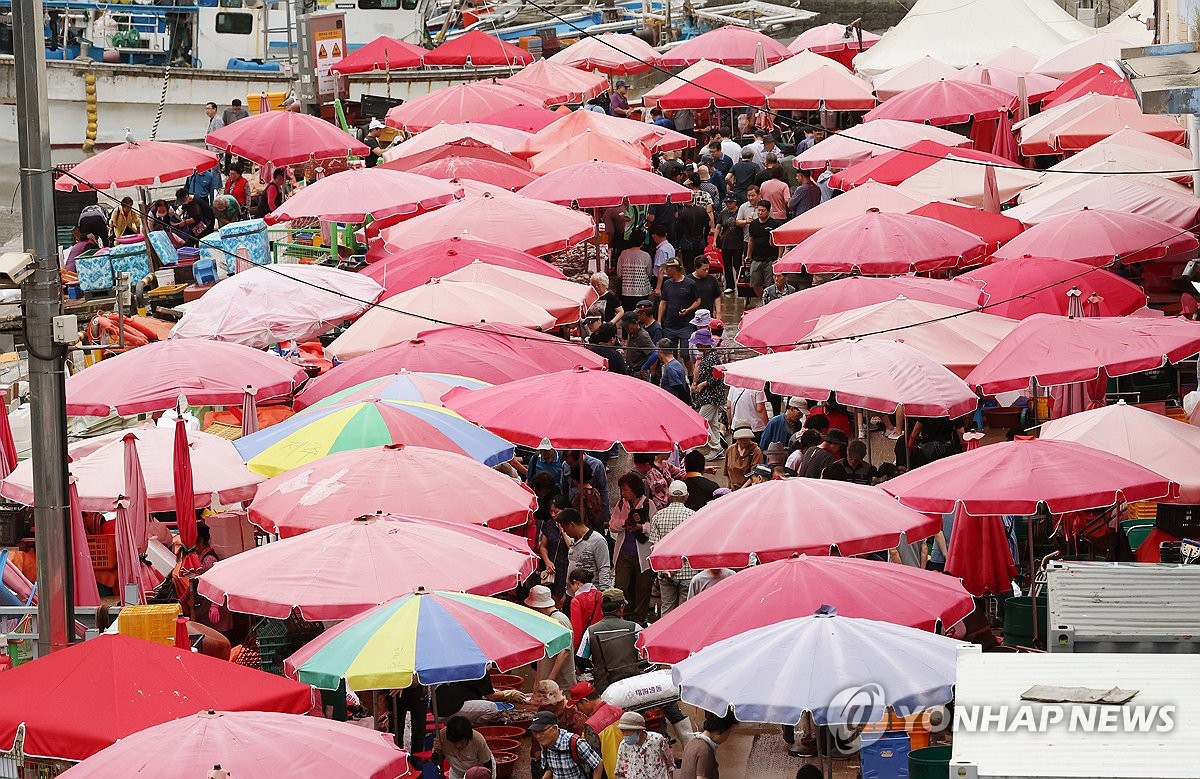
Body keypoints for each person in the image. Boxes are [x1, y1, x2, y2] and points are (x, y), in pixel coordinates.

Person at [609, 473, 655, 625]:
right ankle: (626, 614)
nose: (623, 493)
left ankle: (640, 618)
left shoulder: (648, 504)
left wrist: (640, 527)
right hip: (624, 552)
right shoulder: (621, 504)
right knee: (621, 585)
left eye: (625, 489)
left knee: (643, 587)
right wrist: (624, 523)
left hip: (643, 553)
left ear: (634, 489)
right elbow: (612, 525)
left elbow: (654, 527)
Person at [650, 481, 697, 613]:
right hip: (688, 571)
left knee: (666, 609)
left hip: (665, 571)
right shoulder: (693, 516)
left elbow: (654, 546)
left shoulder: (658, 516)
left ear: (668, 496)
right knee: (685, 612)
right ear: (686, 496)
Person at [570, 682, 624, 779]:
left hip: (611, 774)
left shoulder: (591, 725)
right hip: (629, 769)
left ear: (585, 701)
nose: (578, 710)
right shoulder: (618, 710)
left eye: (577, 705)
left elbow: (593, 760)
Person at [527, 585, 577, 690]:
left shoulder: (559, 620)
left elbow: (564, 651)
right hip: (548, 682)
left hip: (560, 683)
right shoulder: (547, 620)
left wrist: (550, 679)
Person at [530, 711, 604, 779]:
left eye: (541, 732)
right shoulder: (545, 744)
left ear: (554, 728)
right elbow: (551, 767)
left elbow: (598, 764)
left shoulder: (575, 743)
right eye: (535, 732)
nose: (538, 736)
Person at [689, 330, 727, 459]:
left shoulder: (712, 357)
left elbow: (718, 376)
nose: (697, 346)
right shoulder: (707, 355)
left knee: (700, 422)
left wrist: (703, 384)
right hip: (709, 396)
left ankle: (715, 447)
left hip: (712, 396)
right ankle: (718, 449)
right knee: (712, 424)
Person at [658, 258, 699, 368]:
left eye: (667, 268)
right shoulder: (667, 284)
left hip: (685, 325)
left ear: (674, 269)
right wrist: (659, 320)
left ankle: (690, 375)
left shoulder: (690, 284)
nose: (666, 271)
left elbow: (697, 301)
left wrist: (688, 310)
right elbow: (663, 302)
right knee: (670, 354)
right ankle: (672, 374)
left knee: (686, 354)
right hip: (669, 324)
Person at [559, 508, 612, 589]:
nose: (564, 532)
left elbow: (604, 568)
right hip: (572, 592)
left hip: (589, 594)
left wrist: (603, 592)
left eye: (565, 528)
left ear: (572, 525)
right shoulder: (573, 541)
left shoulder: (597, 540)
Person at [435, 676, 524, 723]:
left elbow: (482, 690)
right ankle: (474, 727)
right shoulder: (481, 668)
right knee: (492, 708)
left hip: (436, 709)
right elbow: (491, 696)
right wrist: (509, 694)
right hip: (449, 710)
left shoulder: (463, 662)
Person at [614, 712, 674, 779]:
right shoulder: (623, 746)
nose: (625, 735)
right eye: (623, 731)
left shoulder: (657, 740)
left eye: (627, 731)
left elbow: (670, 764)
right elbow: (619, 772)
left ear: (639, 731)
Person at [680, 710, 738, 779]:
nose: (727, 737)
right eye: (728, 733)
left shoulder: (693, 742)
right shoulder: (705, 751)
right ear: (719, 731)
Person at [745, 201, 783, 303]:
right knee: (755, 283)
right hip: (756, 258)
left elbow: (779, 243)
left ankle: (769, 301)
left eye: (763, 210)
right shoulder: (753, 224)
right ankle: (763, 300)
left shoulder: (775, 224)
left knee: (770, 283)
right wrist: (748, 255)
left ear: (768, 211)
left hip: (770, 258)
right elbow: (751, 240)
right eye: (759, 210)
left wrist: (779, 257)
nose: (760, 213)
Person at [616, 232, 653, 313]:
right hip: (642, 291)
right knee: (641, 315)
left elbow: (619, 273)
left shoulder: (623, 253)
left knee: (628, 315)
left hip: (626, 291)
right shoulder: (646, 256)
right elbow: (649, 273)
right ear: (642, 242)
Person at [568, 568, 603, 650]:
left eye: (571, 586)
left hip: (585, 643)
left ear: (576, 583)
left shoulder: (576, 601)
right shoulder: (600, 595)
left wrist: (574, 648)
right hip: (601, 639)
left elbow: (577, 628)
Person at [714, 195, 742, 294]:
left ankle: (740, 283)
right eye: (727, 203)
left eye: (730, 202)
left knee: (737, 263)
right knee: (727, 264)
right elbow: (718, 227)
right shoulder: (723, 213)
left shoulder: (740, 211)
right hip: (725, 242)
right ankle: (730, 285)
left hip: (738, 242)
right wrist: (714, 240)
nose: (728, 204)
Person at [723, 424, 763, 489]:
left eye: (747, 438)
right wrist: (729, 486)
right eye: (742, 438)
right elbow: (727, 471)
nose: (745, 440)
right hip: (733, 488)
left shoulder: (756, 451)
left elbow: (755, 474)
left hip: (748, 489)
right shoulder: (730, 449)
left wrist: (742, 490)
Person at [621, 313, 656, 381]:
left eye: (627, 326)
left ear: (635, 323)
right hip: (631, 371)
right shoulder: (631, 333)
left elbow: (654, 353)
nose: (625, 328)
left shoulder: (643, 336)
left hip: (639, 373)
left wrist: (644, 367)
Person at [656, 337, 691, 405]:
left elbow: (679, 388)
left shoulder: (670, 368)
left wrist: (688, 402)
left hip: (673, 403)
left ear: (660, 351)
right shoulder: (676, 364)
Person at [690, 257, 722, 322]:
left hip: (708, 316)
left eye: (708, 269)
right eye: (704, 270)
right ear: (696, 268)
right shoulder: (689, 281)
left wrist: (718, 312)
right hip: (692, 317)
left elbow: (717, 297)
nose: (707, 272)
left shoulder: (712, 280)